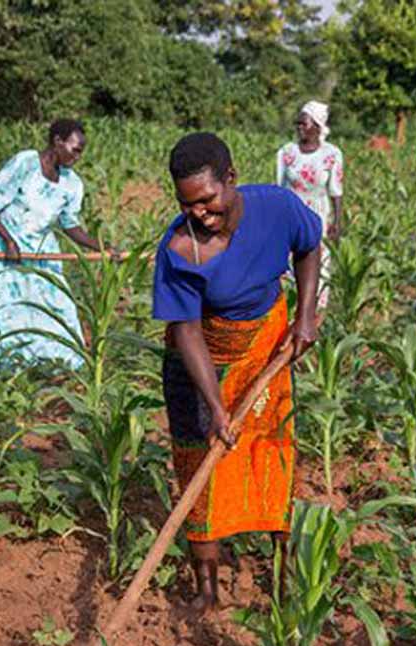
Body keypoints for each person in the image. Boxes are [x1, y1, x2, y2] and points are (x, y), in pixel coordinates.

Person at [154, 132, 322, 613]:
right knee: (199, 469)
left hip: (267, 347)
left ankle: (284, 579)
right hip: (199, 365)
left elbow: (308, 248)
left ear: (231, 179)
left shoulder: (277, 207)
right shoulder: (181, 248)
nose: (200, 214)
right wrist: (216, 407)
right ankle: (206, 590)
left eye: (208, 200)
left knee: (270, 451)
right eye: (189, 206)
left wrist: (305, 316)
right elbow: (186, 331)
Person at [0, 119, 109, 371]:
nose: (78, 156)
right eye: (75, 149)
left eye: (81, 151)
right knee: (3, 310)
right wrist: (8, 241)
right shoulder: (25, 163)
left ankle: (44, 365)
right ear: (57, 141)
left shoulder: (72, 184)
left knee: (52, 307)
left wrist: (101, 246)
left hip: (41, 252)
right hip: (3, 248)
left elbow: (71, 226)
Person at [275, 100, 342, 309]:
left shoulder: (331, 154)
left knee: (318, 268)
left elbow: (336, 191)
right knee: (287, 267)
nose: (299, 127)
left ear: (317, 126)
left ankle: (314, 316)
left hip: (319, 215)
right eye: (298, 123)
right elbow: (279, 188)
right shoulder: (286, 153)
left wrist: (337, 222)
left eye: (304, 123)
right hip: (290, 214)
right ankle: (289, 312)